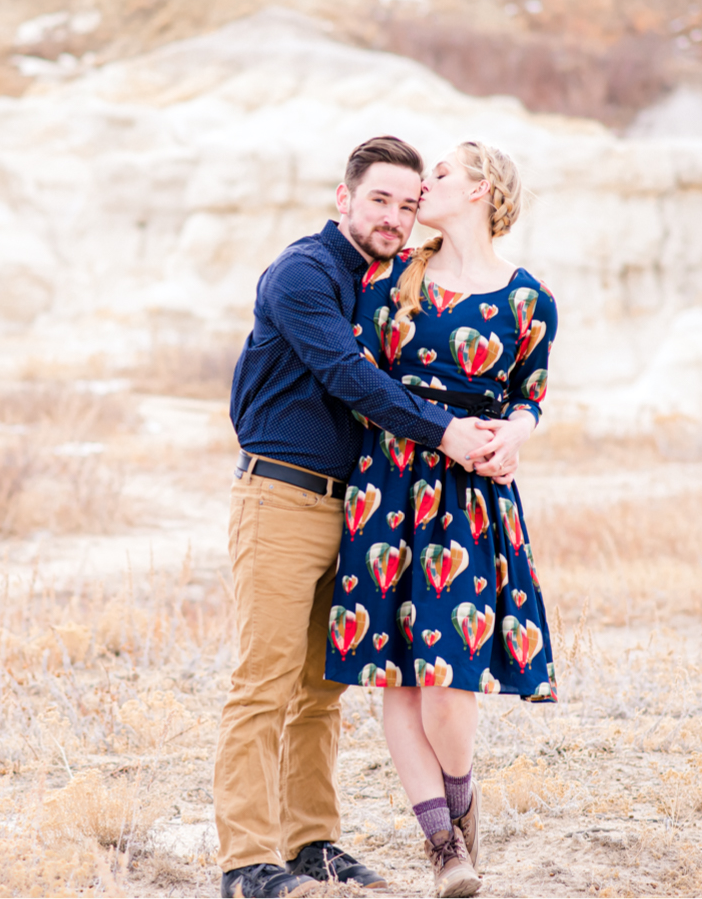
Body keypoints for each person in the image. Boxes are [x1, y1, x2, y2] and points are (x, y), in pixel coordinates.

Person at [214, 136, 513, 899]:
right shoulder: (303, 274)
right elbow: (349, 376)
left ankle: (311, 846)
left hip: (356, 511)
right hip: (282, 499)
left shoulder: (387, 282)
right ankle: (245, 863)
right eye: (379, 200)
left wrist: (504, 430)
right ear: (344, 198)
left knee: (320, 691)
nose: (393, 217)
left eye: (407, 205)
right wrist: (447, 434)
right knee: (263, 685)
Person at [323, 141, 557, 899]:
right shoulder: (390, 279)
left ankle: (461, 798)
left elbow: (530, 395)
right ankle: (444, 849)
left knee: (449, 681)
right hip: (389, 488)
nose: (425, 185)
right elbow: (362, 380)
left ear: (482, 190)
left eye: (443, 174)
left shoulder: (528, 299)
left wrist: (514, 436)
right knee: (396, 676)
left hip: (470, 500)